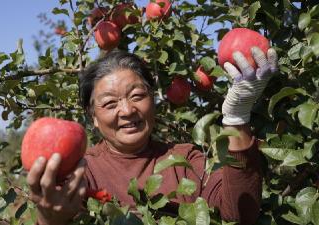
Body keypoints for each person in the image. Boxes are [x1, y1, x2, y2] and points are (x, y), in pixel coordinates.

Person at [26, 47, 278, 225]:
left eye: (137, 96)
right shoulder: (82, 171)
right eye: (110, 103)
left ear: (153, 101)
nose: (127, 110)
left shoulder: (186, 160)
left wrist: (236, 119)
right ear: (93, 116)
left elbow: (239, 215)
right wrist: (49, 220)